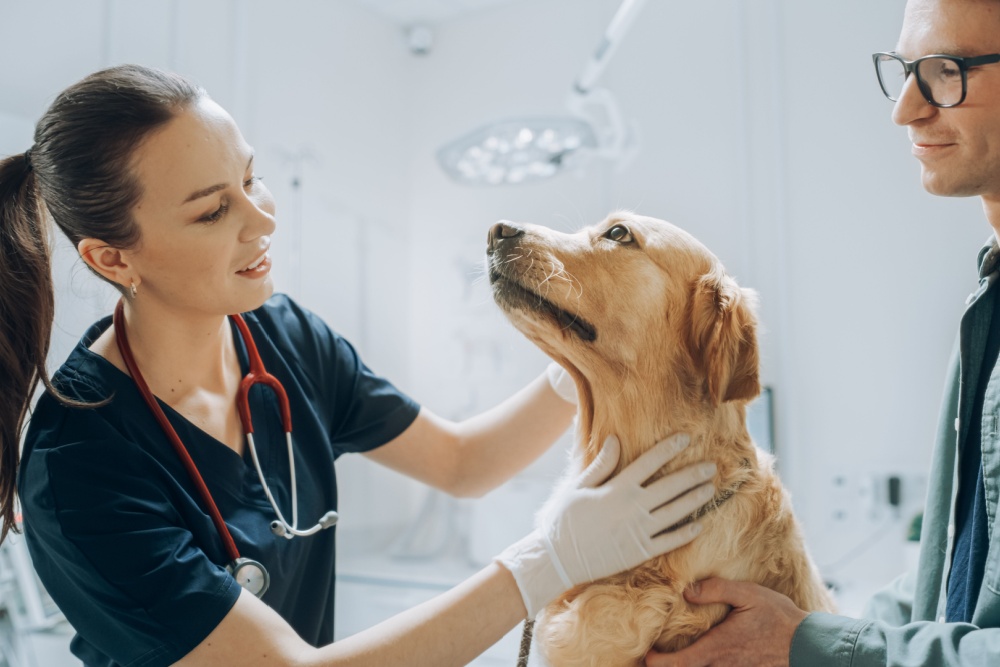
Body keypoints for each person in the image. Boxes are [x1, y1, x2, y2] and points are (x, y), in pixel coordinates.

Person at [0, 64, 719, 666]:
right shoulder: (80, 466)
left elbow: (463, 463)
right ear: (111, 257)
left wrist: (587, 357)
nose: (263, 220)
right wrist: (545, 563)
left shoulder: (281, 339)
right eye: (213, 211)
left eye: (252, 179)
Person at [645, 0, 1000, 665]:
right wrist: (793, 620)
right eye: (905, 70)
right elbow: (961, 577)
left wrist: (816, 642)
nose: (906, 109)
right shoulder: (989, 300)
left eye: (947, 71)